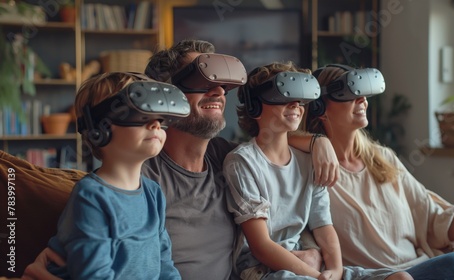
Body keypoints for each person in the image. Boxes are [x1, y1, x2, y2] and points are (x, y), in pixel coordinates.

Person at [22, 39, 339, 280]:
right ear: (163, 96)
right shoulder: (138, 174)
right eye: (202, 82)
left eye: (221, 83)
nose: (218, 91)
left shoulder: (231, 160)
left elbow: (273, 141)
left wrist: (317, 140)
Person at [304, 64, 454, 279]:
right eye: (349, 93)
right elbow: (268, 144)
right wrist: (315, 141)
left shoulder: (383, 158)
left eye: (364, 93)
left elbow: (438, 223)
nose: (362, 100)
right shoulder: (313, 171)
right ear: (320, 108)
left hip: (423, 267)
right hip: (380, 276)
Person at [223, 61, 412, 280]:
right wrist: (316, 275)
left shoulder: (309, 161)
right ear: (255, 106)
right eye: (283, 97)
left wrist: (336, 270)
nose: (295, 105)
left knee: (401, 278)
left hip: (308, 267)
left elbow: (323, 225)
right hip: (263, 271)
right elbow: (262, 246)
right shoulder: (241, 162)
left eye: (300, 99)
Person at [44, 72, 187, 279]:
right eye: (139, 114)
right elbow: (94, 275)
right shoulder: (91, 196)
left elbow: (164, 264)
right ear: (99, 128)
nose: (156, 124)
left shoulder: (153, 194)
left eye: (159, 116)